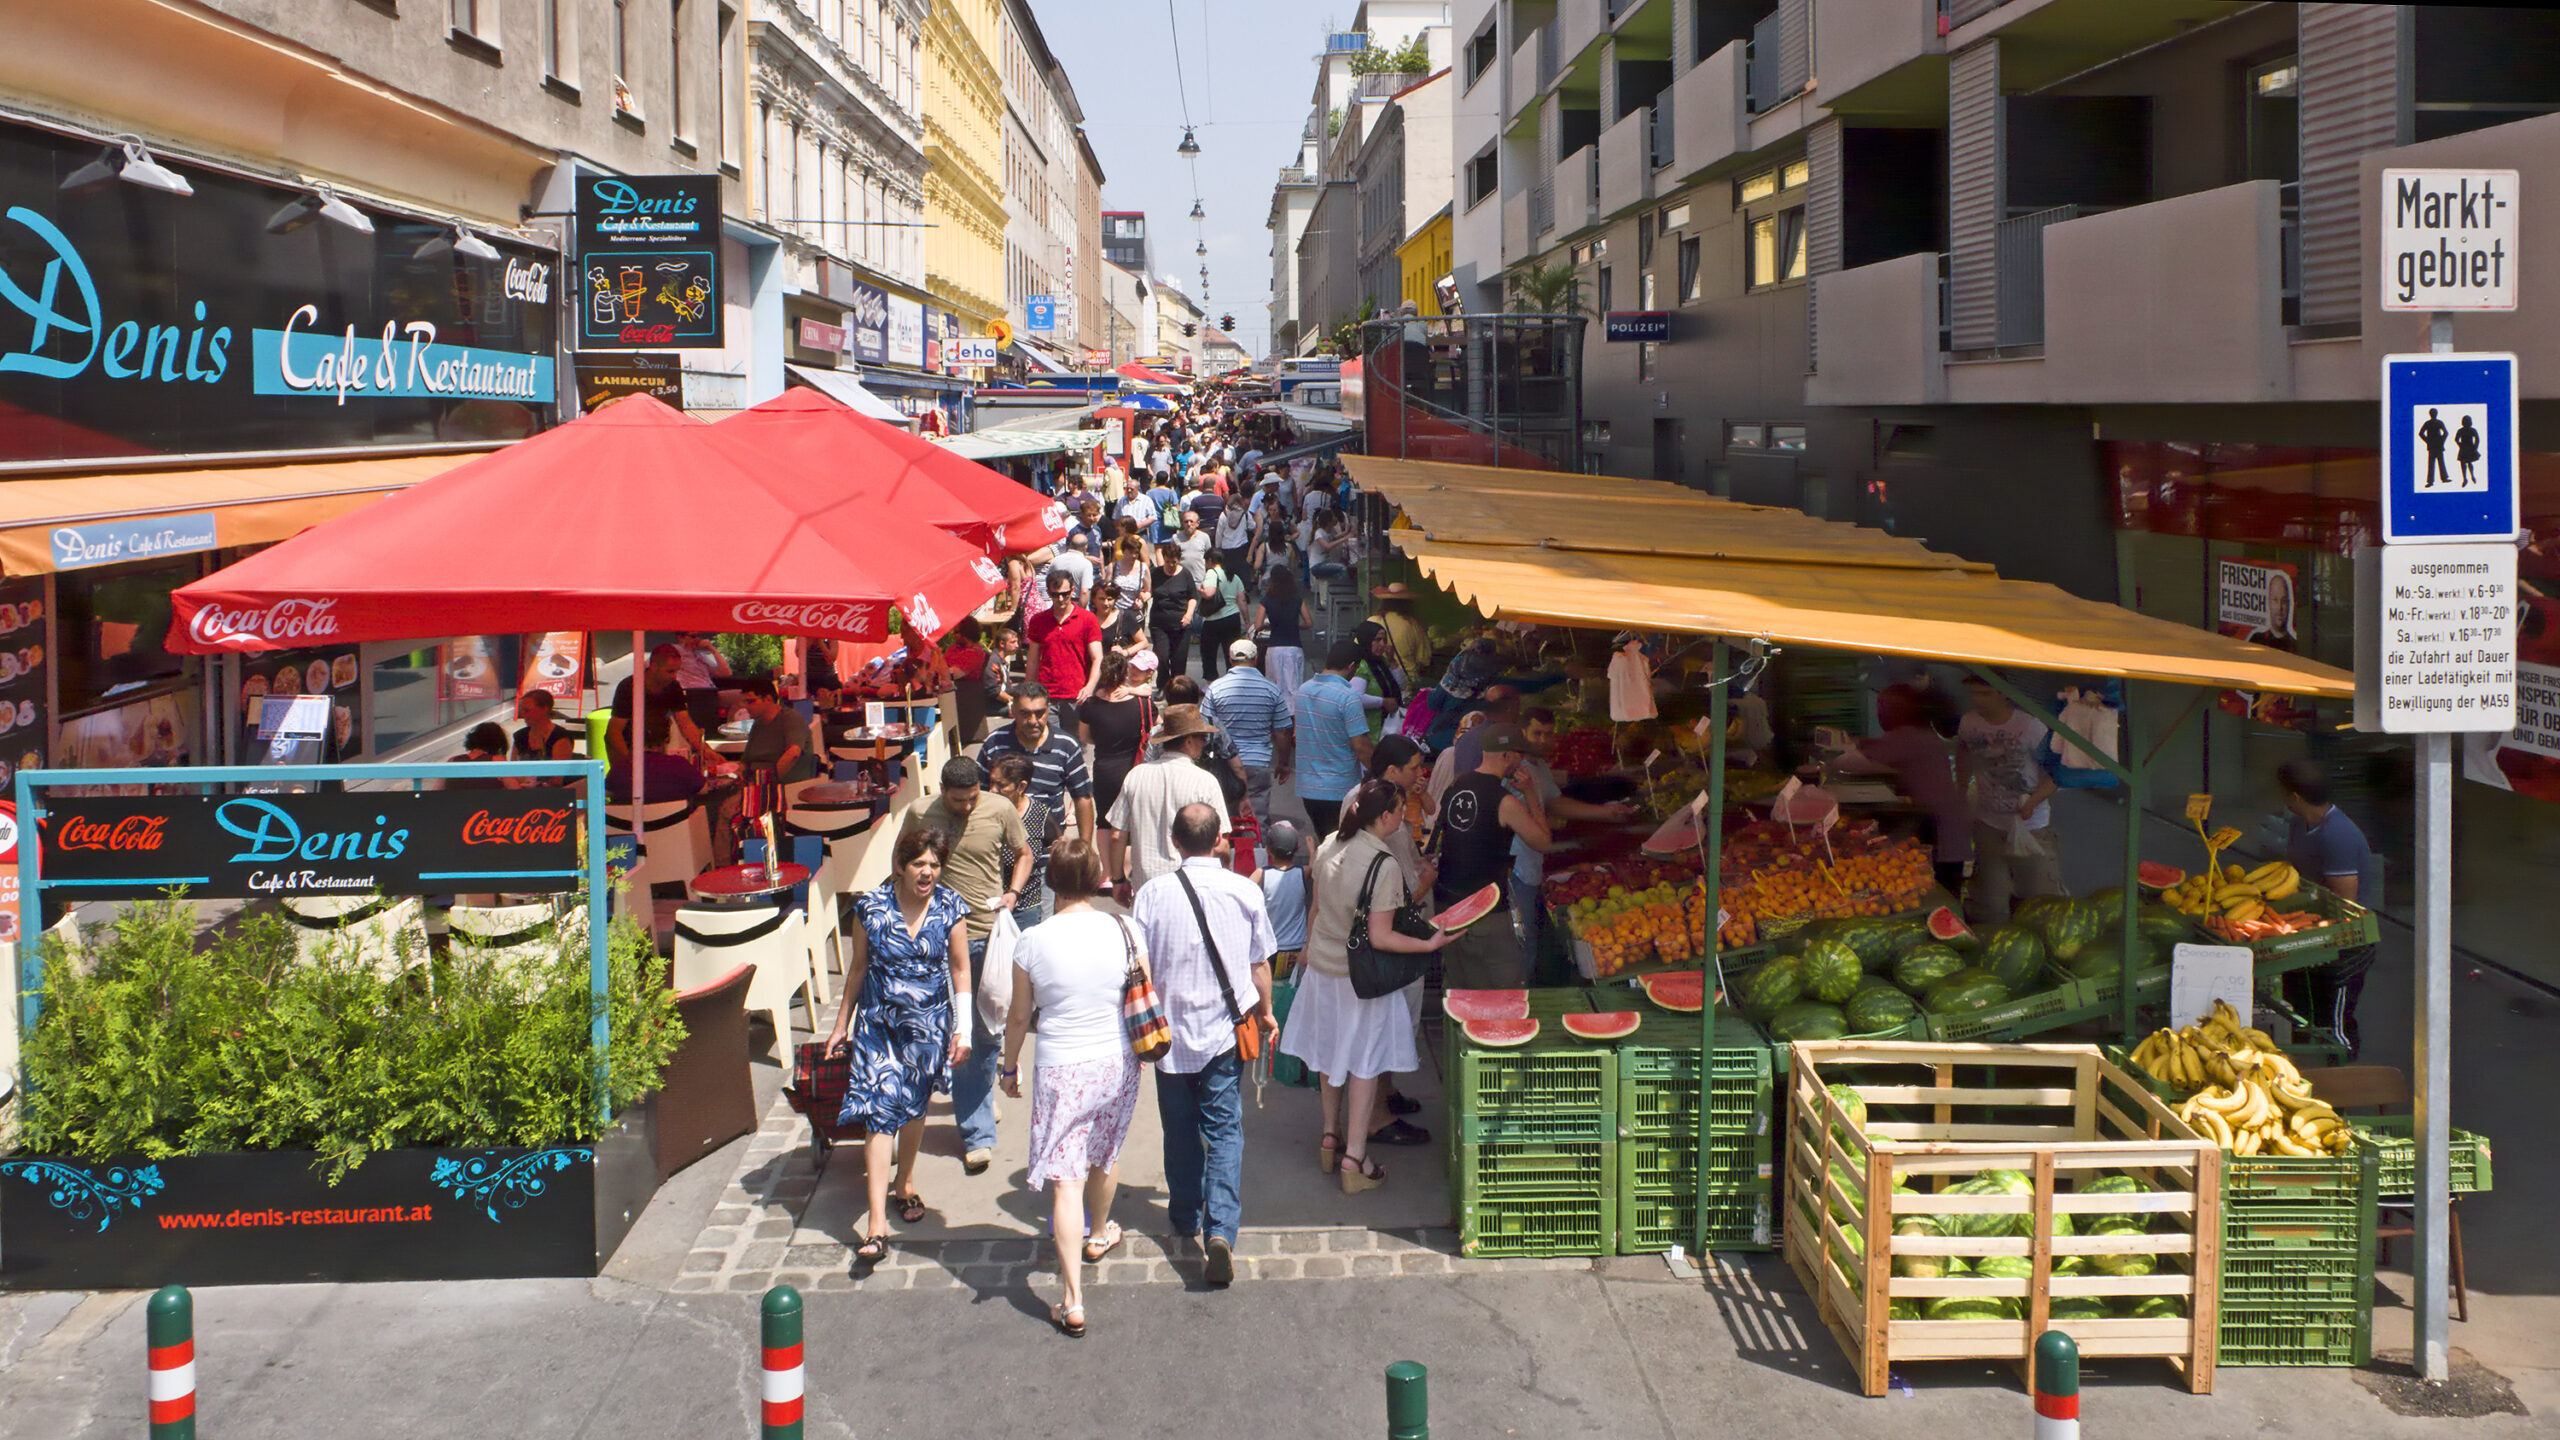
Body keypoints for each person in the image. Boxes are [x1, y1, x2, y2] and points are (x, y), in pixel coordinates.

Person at [999, 837, 1142, 1337]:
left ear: (1052, 881)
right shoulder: (1126, 928)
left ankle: (1073, 1298)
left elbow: (1020, 1015)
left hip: (1062, 1064)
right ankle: (1099, 1233)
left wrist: (1009, 1066)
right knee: (1105, 1151)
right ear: (1097, 877)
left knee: (1066, 1180)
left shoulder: (1033, 941)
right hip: (1117, 1059)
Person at [1129, 803, 1277, 1284]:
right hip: (1222, 1034)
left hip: (1168, 1037)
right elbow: (1259, 966)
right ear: (1219, 840)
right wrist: (1266, 1012)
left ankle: (1184, 1213)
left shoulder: (1151, 896)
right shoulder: (1244, 891)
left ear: (1174, 841)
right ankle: (1221, 1229)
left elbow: (1140, 969)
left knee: (1179, 1129)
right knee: (1225, 1129)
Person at [1288, 780, 1459, 1191]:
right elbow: (1381, 937)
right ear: (1384, 816)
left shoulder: (1330, 844)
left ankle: (1331, 1137)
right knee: (1363, 1065)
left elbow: (1316, 907)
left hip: (1324, 970)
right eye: (1401, 810)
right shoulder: (1382, 864)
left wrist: (1309, 950)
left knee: (1330, 1057)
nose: (1404, 818)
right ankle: (1355, 1159)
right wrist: (1429, 942)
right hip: (1360, 978)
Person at [823, 826, 973, 1268]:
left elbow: (961, 971)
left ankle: (904, 1182)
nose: (926, 873)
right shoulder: (870, 909)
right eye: (918, 864)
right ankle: (875, 1224)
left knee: (914, 1107)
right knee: (880, 1109)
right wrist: (840, 1026)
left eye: (933, 864)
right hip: (878, 1026)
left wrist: (962, 1029)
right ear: (901, 867)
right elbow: (856, 970)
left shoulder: (950, 906)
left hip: (929, 1028)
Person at [899, 757, 1032, 1175]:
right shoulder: (920, 812)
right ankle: (976, 1117)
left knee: (985, 1028)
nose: (968, 806)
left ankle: (976, 1114)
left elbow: (1024, 852)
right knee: (949, 1033)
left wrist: (1012, 893)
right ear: (942, 791)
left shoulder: (1000, 808)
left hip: (986, 936)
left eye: (974, 797)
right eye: (959, 801)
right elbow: (901, 863)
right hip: (937, 939)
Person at [1510, 709, 1636, 968]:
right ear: (1522, 732)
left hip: (1532, 865)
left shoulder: (1538, 766)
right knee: (1523, 944)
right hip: (1517, 867)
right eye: (1537, 733)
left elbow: (1555, 802)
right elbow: (1533, 821)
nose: (1543, 740)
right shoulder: (1517, 772)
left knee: (1530, 937)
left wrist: (1605, 812)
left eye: (1548, 734)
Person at [1432, 721, 1553, 989]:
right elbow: (1543, 842)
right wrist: (1531, 793)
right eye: (1518, 754)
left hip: (1448, 907)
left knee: (1459, 988)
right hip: (1486, 916)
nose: (1521, 760)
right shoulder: (1505, 801)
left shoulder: (1456, 786)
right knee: (1503, 992)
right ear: (1508, 756)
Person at [2277, 759, 2383, 1055]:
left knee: (2334, 1020)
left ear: (2295, 797)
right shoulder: (2299, 824)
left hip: (2346, 945)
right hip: (2311, 935)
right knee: (2301, 1009)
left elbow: (2343, 905)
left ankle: (2345, 1080)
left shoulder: (2338, 835)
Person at [1827, 684, 1970, 896]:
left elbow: (1850, 763)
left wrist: (1842, 748)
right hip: (1944, 823)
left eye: (1883, 706)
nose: (1879, 713)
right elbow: (1878, 749)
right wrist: (1856, 743)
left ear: (1901, 710)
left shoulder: (1907, 736)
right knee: (1942, 888)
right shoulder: (1920, 733)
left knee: (1938, 892)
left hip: (1938, 828)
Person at [1955, 675, 2060, 924]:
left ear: (2003, 693)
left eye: (1985, 694)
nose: (1977, 700)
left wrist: (2033, 801)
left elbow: (2056, 775)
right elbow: (1963, 751)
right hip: (1987, 824)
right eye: (1974, 694)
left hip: (2032, 827)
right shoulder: (1969, 723)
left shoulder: (2031, 727)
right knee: (1988, 899)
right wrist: (1960, 788)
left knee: (2038, 898)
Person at [1108, 706, 1232, 897]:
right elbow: (1221, 843)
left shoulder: (1136, 776)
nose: (1204, 742)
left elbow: (1117, 835)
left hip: (1146, 888)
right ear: (1189, 741)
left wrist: (1118, 880)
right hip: (1194, 889)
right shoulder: (1205, 781)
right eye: (1202, 737)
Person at [979, 684, 1098, 851]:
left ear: (1048, 709)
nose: (1033, 721)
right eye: (1025, 713)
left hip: (1049, 847)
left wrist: (1084, 848)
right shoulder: (994, 743)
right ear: (1013, 710)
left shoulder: (1066, 746)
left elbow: (1082, 798)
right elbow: (980, 793)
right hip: (1002, 843)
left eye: (1039, 713)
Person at [1079, 652, 1153, 888]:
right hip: (1134, 770)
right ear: (1125, 673)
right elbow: (1152, 732)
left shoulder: (1090, 705)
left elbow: (1085, 737)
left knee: (1104, 822)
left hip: (1104, 769)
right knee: (1130, 823)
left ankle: (1108, 874)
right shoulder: (1142, 702)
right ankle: (1125, 870)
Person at [1290, 638, 1376, 839]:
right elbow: (1361, 746)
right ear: (1351, 666)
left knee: (1325, 843)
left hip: (1308, 788)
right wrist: (1379, 772)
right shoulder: (1348, 697)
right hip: (1340, 789)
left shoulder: (1303, 691)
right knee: (1341, 848)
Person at [1203, 638, 1293, 825]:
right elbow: (1283, 732)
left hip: (1224, 764)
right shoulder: (1272, 689)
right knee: (1256, 822)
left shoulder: (1215, 688)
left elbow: (1205, 727)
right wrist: (1284, 763)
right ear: (1256, 659)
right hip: (1257, 762)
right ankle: (1256, 852)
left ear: (1230, 659)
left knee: (1223, 820)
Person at [1024, 572, 1105, 738]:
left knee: (1074, 745)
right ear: (1048, 592)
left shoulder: (1087, 619)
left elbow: (1098, 658)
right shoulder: (1038, 621)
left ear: (1073, 591)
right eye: (1055, 595)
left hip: (1076, 696)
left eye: (1065, 594)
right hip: (1046, 694)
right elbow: (1032, 661)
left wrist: (1089, 687)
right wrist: (1028, 692)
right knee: (1048, 743)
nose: (1060, 599)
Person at [608, 644, 708, 766]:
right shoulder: (629, 687)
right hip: (627, 752)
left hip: (655, 751)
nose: (674, 676)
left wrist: (706, 751)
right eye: (670, 671)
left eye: (677, 671)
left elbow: (685, 723)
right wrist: (631, 762)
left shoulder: (673, 686)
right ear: (654, 666)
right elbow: (614, 732)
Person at [988, 754, 1053, 931]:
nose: (992, 790)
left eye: (1001, 785)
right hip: (989, 906)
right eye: (991, 783)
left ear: (1021, 787)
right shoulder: (983, 811)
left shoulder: (1040, 815)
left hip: (1026, 908)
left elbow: (1057, 850)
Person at [605, 710, 707, 804]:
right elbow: (703, 790)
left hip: (628, 823)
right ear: (667, 737)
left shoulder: (621, 767)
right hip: (673, 823)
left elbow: (606, 792)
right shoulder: (680, 765)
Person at [740, 677, 817, 788]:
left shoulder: (790, 718)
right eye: (744, 702)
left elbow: (793, 753)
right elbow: (746, 760)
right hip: (756, 780)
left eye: (751, 701)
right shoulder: (758, 724)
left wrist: (769, 781)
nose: (746, 706)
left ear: (768, 699)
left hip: (785, 785)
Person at [1259, 820, 1311, 976]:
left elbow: (1245, 888)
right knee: (1292, 987)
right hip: (1298, 948)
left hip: (1271, 948)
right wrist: (1313, 850)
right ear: (1297, 849)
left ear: (1268, 850)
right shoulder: (1303, 872)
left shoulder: (1262, 874)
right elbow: (1315, 866)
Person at [1253, 566, 1314, 697]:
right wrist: (1294, 625)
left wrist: (1269, 626)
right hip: (1294, 646)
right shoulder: (1298, 599)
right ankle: (1293, 716)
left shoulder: (1266, 600)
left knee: (1274, 686)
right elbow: (1309, 623)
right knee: (1294, 687)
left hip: (1274, 647)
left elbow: (1257, 625)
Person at [1147, 538, 1202, 680]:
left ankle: (1177, 687)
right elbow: (1148, 591)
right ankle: (1163, 685)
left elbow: (1193, 597)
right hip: (1160, 624)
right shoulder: (1156, 574)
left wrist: (1189, 615)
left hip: (1181, 623)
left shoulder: (1185, 574)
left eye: (1174, 562)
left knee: (1179, 660)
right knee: (1162, 658)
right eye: (1168, 562)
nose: (1171, 565)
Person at [1196, 551, 1246, 681]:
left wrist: (1200, 590)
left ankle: (1211, 682)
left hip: (1214, 620)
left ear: (1210, 560)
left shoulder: (1212, 573)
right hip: (1233, 618)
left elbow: (1209, 593)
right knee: (1231, 652)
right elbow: (1242, 599)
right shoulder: (1233, 576)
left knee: (1208, 653)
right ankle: (1233, 680)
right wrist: (1247, 620)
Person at [510, 690, 577, 784]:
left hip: (550, 793)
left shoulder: (560, 737)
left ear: (544, 709)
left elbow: (557, 778)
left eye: (527, 710)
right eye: (522, 710)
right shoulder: (520, 736)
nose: (522, 714)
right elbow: (513, 769)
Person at [670, 631, 733, 732]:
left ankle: (731, 732)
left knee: (740, 696)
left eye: (698, 636)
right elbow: (649, 664)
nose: (697, 639)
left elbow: (726, 672)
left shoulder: (700, 655)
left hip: (710, 692)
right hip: (692, 692)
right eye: (693, 636)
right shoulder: (674, 651)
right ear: (680, 638)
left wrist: (712, 649)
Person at [1101, 534, 1150, 634]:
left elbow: (1148, 591)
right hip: (1115, 611)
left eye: (1136, 553)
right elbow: (1105, 590)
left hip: (1133, 613)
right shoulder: (1113, 567)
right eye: (1131, 552)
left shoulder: (1143, 568)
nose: (1134, 556)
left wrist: (1142, 599)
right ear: (1123, 551)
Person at [440, 722, 511, 790]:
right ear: (498, 743)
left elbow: (436, 790)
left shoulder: (452, 761)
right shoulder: (497, 761)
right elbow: (514, 789)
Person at [804, 636, 843, 712]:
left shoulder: (831, 639)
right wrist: (811, 640)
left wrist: (821, 643)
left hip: (828, 679)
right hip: (810, 679)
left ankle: (830, 714)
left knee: (828, 694)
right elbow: (799, 653)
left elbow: (830, 659)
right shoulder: (803, 638)